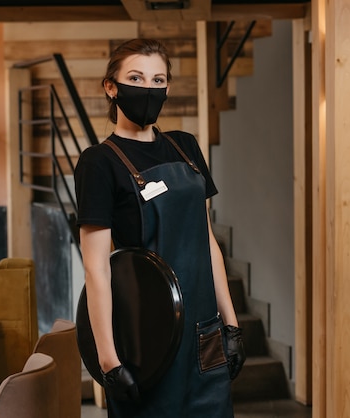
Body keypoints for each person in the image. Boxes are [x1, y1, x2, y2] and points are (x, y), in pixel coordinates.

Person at [74, 38, 245, 418]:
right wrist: (108, 362)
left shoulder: (185, 147)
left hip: (205, 334)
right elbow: (97, 269)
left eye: (158, 80)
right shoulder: (99, 163)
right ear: (111, 87)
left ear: (167, 88)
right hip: (146, 337)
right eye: (136, 77)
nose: (148, 89)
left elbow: (207, 242)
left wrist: (231, 326)